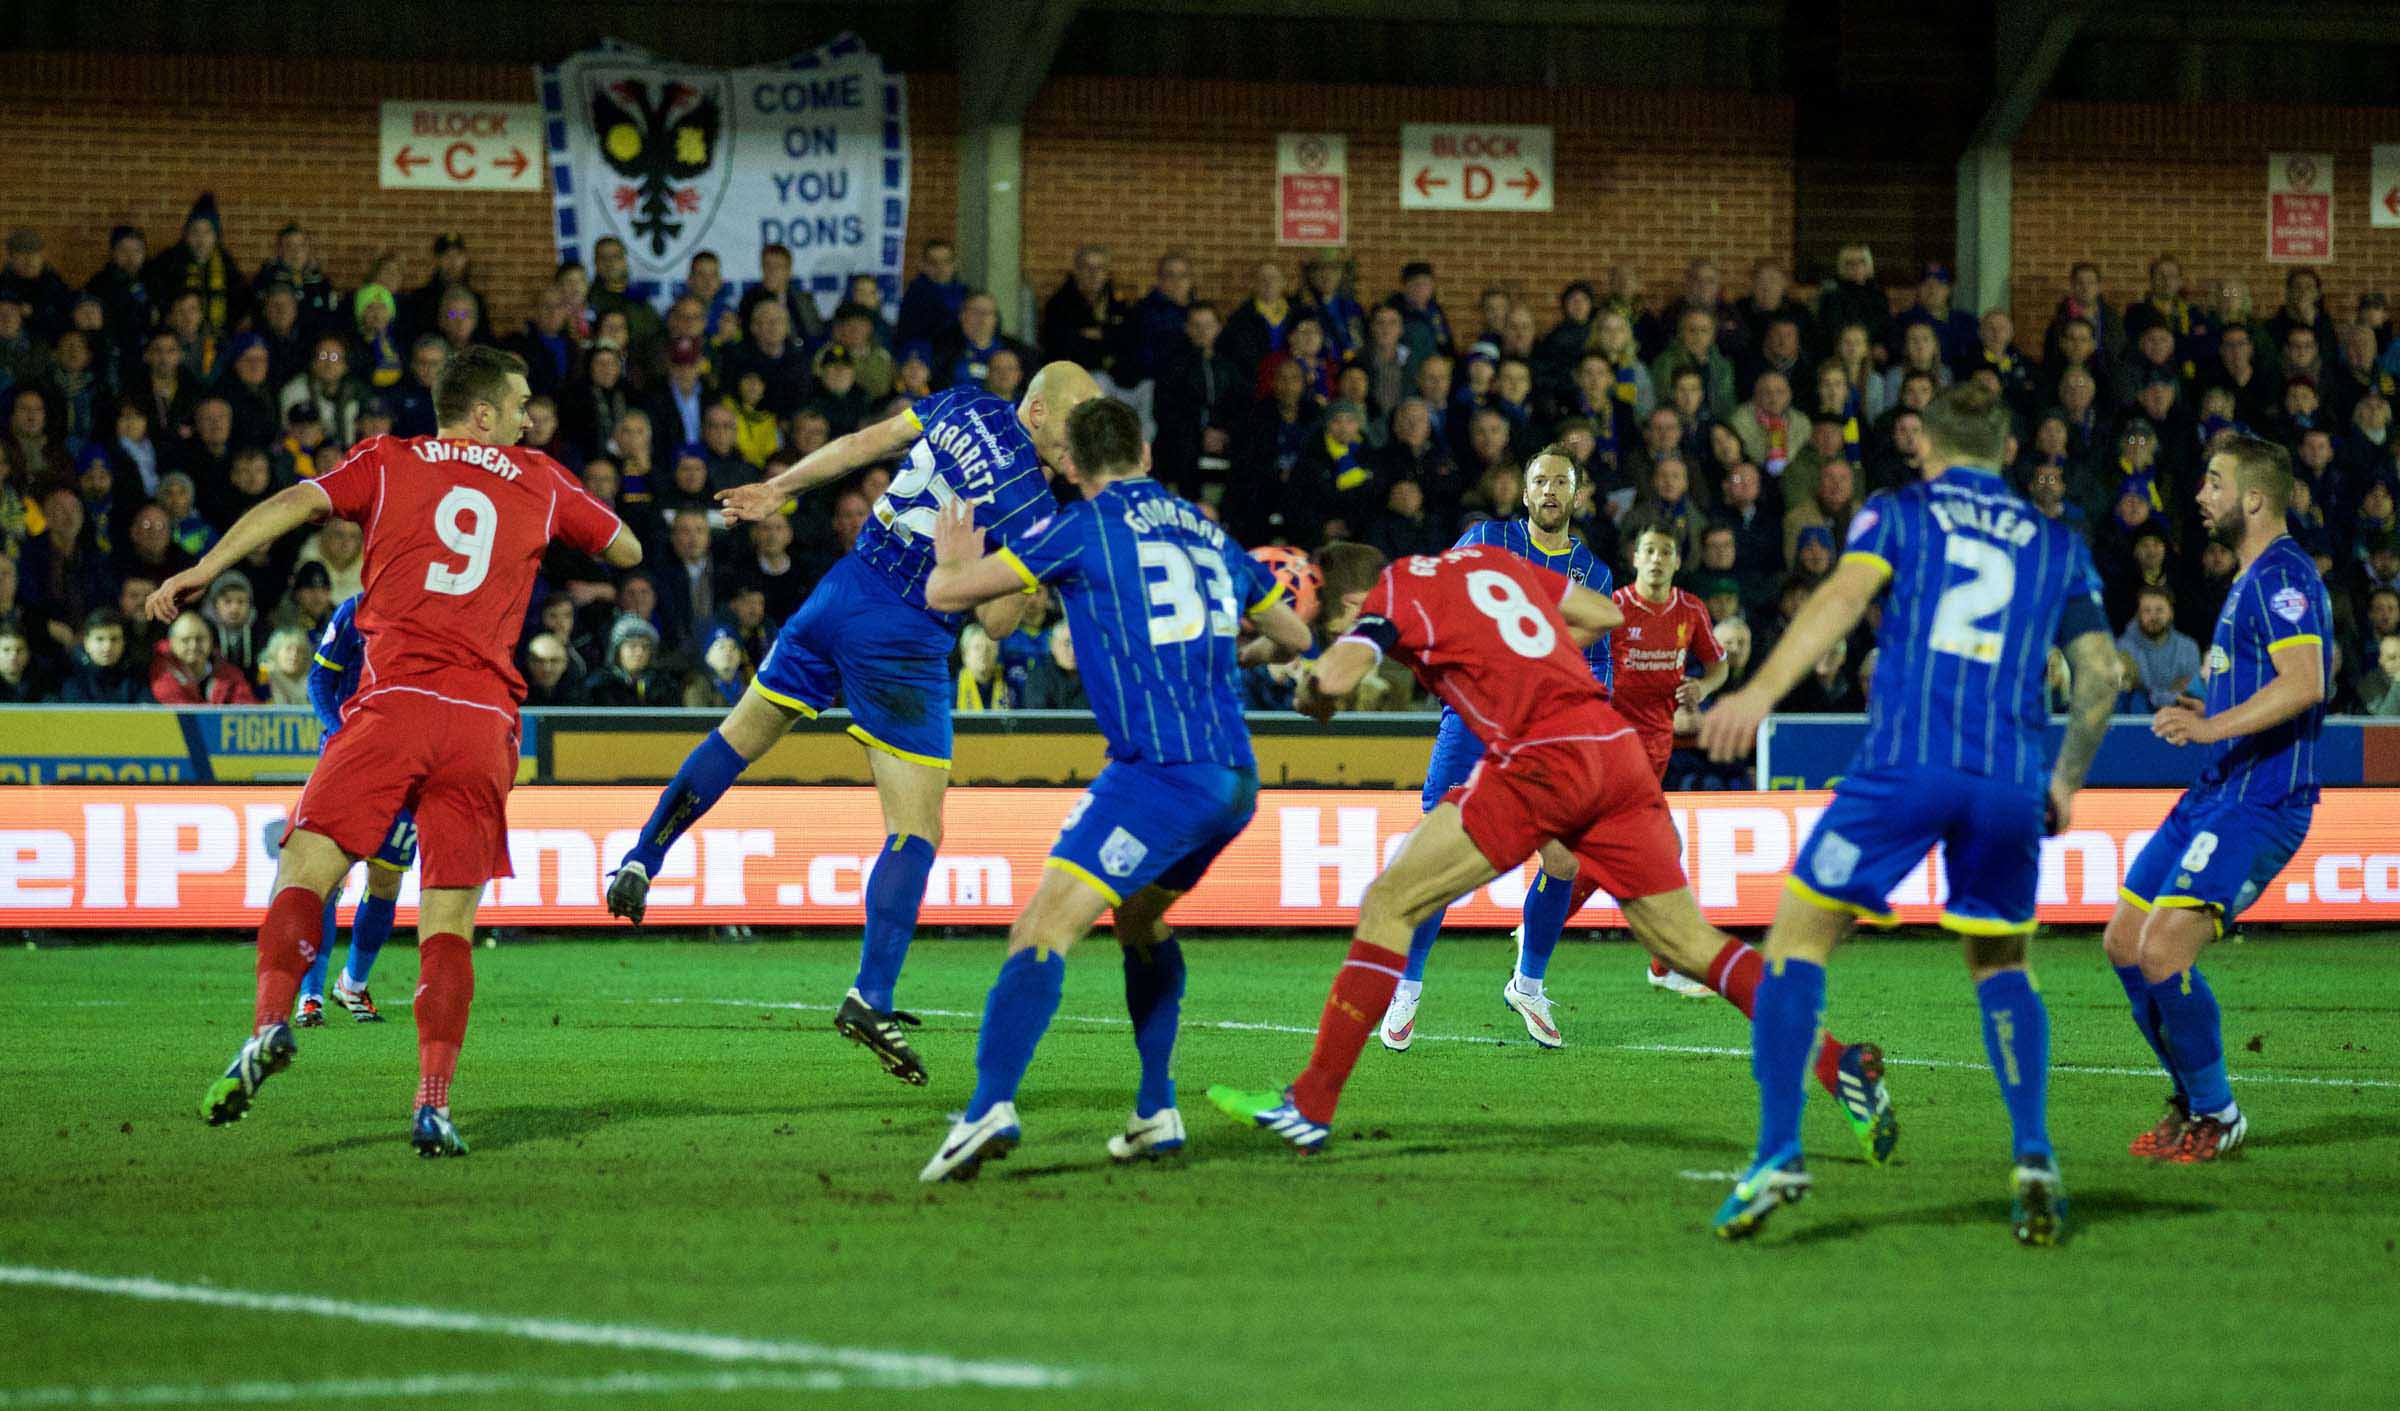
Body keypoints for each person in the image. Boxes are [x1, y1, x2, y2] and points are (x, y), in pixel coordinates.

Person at [1208, 544, 1896, 1163]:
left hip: (1539, 757)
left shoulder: (1390, 596)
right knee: (1689, 942)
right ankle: (1840, 1065)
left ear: (1353, 602)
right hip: (1613, 746)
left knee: (1392, 900)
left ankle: (1311, 1102)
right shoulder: (1489, 563)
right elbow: (1601, 613)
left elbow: (1332, 682)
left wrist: (1310, 678)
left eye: (1342, 619)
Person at [150, 345, 640, 1156]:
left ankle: (271, 1023)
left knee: (305, 870)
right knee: (447, 922)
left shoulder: (388, 459)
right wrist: (546, 505)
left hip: (395, 704)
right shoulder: (541, 477)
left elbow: (293, 503)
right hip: (485, 722)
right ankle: (434, 1103)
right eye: (518, 406)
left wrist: (207, 565)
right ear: (482, 414)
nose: (529, 418)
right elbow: (624, 551)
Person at [1697, 383, 2120, 1247]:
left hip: (1907, 764)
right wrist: (2067, 780)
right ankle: (2035, 1156)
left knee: (1797, 940)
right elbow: (2104, 674)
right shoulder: (2058, 543)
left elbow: (1842, 599)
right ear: (2008, 452)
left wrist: (1760, 694)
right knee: (2002, 963)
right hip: (2008, 777)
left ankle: (1779, 1149)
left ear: (1924, 444)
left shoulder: (1898, 512)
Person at [604, 362, 1103, 1087]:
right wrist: (995, 571)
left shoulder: (962, 404)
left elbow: (861, 444)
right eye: (1072, 424)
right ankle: (872, 995)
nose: (1079, 442)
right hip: (902, 632)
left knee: (739, 736)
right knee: (917, 829)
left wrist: (778, 488)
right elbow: (994, 619)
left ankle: (642, 856)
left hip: (842, 585)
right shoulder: (1030, 499)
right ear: (1034, 410)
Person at [911, 398, 1313, 1179]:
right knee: (1139, 922)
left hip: (1159, 772)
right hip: (1234, 775)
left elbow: (948, 597)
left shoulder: (1081, 525)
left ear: (1068, 467)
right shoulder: (1207, 529)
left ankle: (990, 1103)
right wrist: (1214, 651)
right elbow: (1295, 636)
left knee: (1039, 930)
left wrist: (952, 557)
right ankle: (1155, 1110)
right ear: (1148, 452)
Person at [2103, 435, 2330, 1165]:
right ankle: (2191, 1098)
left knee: (2164, 948)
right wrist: (2209, 701)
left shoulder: (2283, 577)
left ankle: (2220, 1113)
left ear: (2255, 498)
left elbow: (2305, 683)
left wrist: (2208, 725)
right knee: (2123, 943)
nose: (2200, 495)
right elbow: (2263, 679)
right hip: (2213, 793)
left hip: (2262, 799)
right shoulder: (2248, 578)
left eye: (2214, 482)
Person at [1375, 449, 1613, 1052]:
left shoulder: (1594, 574)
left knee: (1563, 861)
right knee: (1438, 856)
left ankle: (1527, 983)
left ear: (1578, 495)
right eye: (1540, 481)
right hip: (1475, 721)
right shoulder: (1487, 538)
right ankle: (1406, 988)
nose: (1551, 490)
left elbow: (1600, 663)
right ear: (1525, 492)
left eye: (1562, 481)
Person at [1612, 523, 1731, 994]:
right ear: (1635, 558)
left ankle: (1533, 939)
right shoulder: (1616, 609)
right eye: (1649, 550)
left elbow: (1719, 665)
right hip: (1615, 747)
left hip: (1657, 747)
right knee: (1663, 847)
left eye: (1666, 552)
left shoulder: (1690, 610)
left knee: (1603, 857)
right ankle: (1669, 961)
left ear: (1677, 562)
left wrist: (1704, 685)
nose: (1657, 559)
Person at [289, 594, 415, 1028]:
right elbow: (320, 681)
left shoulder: (437, 613)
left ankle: (353, 985)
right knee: (326, 878)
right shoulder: (357, 609)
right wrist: (343, 737)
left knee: (386, 880)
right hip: (345, 764)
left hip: (403, 767)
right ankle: (309, 995)